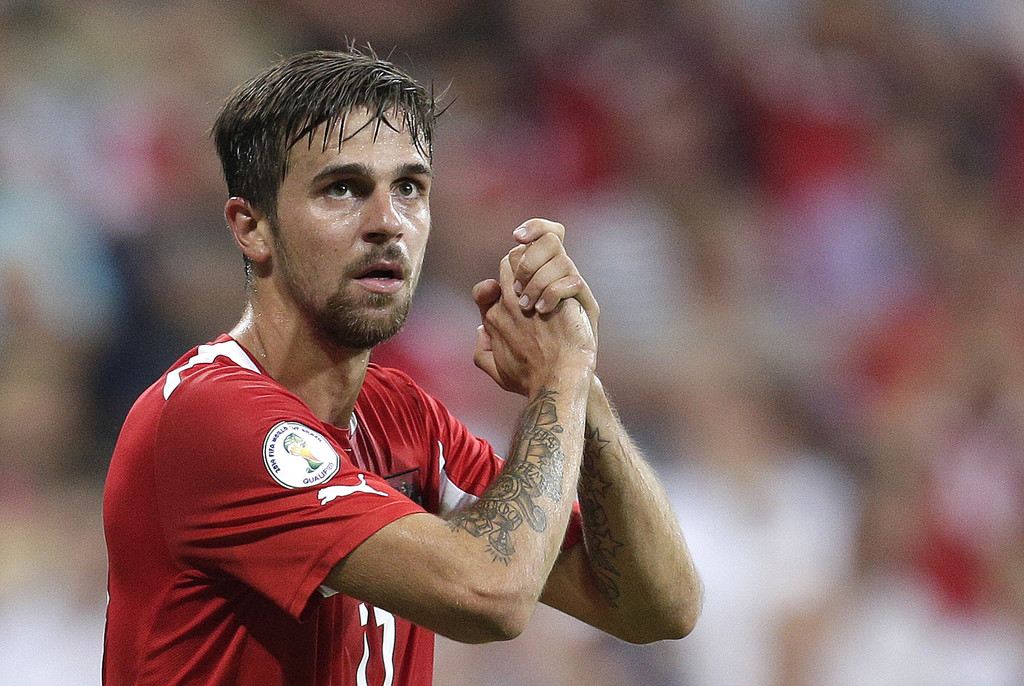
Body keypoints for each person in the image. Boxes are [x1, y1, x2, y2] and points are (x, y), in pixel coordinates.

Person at [102, 48, 702, 686]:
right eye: (343, 188)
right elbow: (489, 594)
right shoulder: (206, 415)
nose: (387, 223)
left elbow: (658, 607)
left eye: (410, 188)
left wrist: (580, 382)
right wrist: (557, 382)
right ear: (252, 227)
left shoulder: (405, 417)